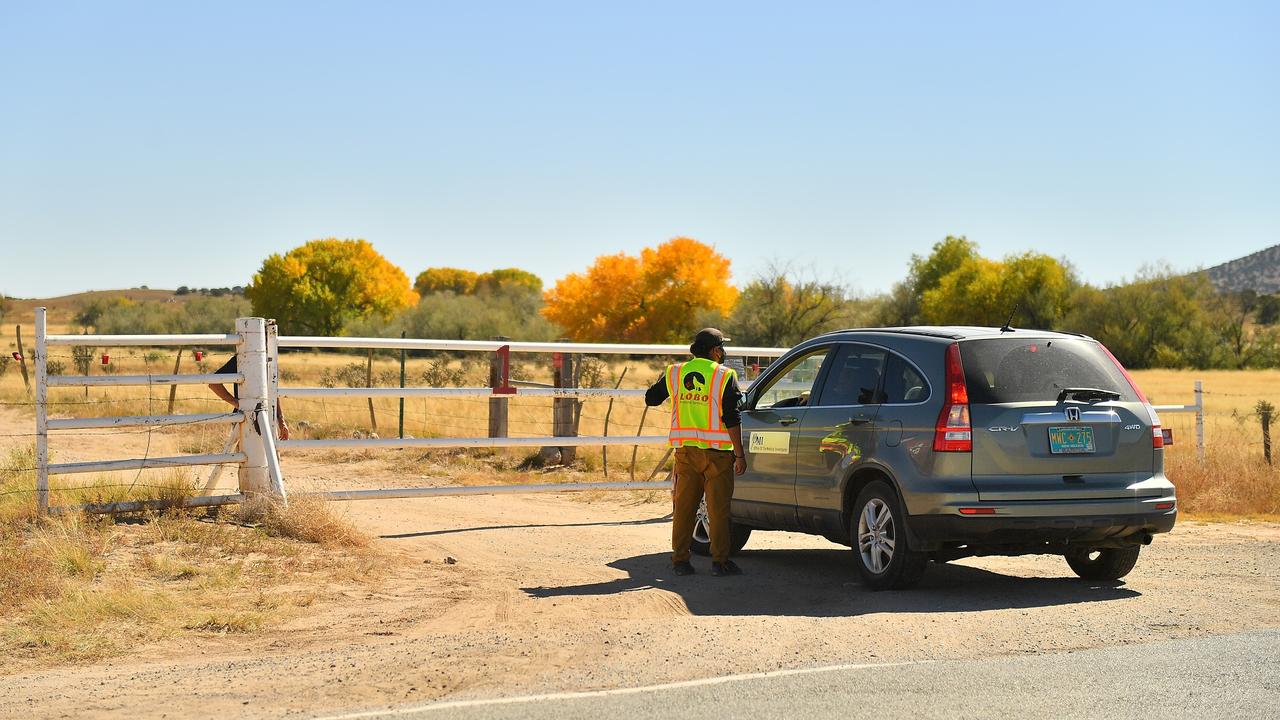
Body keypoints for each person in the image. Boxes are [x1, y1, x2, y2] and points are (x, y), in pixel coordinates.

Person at [645, 328, 746, 577]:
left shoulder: (676, 372)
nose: (723, 352)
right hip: (717, 455)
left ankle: (680, 561)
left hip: (686, 453)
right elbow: (732, 418)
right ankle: (720, 562)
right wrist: (740, 454)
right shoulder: (724, 376)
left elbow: (651, 398)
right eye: (721, 348)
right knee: (718, 510)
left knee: (684, 508)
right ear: (714, 351)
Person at [207, 355, 290, 440]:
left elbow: (272, 391)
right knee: (246, 452)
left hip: (268, 419)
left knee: (267, 452)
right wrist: (237, 403)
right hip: (244, 418)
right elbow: (214, 383)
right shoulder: (241, 359)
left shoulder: (270, 359)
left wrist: (281, 421)